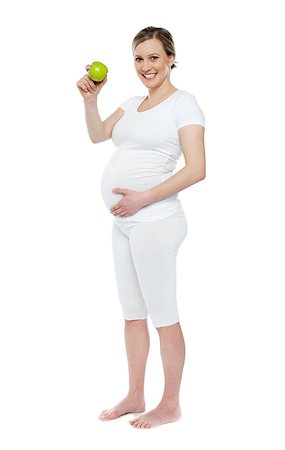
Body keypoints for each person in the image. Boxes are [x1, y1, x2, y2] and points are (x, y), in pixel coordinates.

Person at [76, 26, 206, 429]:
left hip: (156, 221)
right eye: (138, 58)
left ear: (170, 58)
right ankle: (135, 394)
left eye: (153, 57)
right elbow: (99, 135)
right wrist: (91, 101)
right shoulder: (132, 103)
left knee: (163, 314)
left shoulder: (184, 104)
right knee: (133, 314)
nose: (145, 66)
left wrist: (143, 198)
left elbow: (198, 169)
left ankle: (170, 403)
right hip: (125, 223)